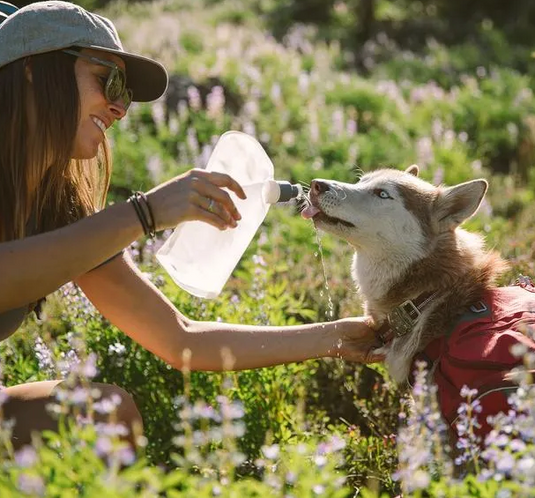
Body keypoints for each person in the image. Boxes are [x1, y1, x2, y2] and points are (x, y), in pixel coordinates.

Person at [0, 0, 382, 450]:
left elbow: (180, 339)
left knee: (109, 414)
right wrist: (145, 215)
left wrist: (338, 336)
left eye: (125, 94)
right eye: (109, 80)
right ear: (31, 70)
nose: (120, 107)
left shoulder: (55, 205)